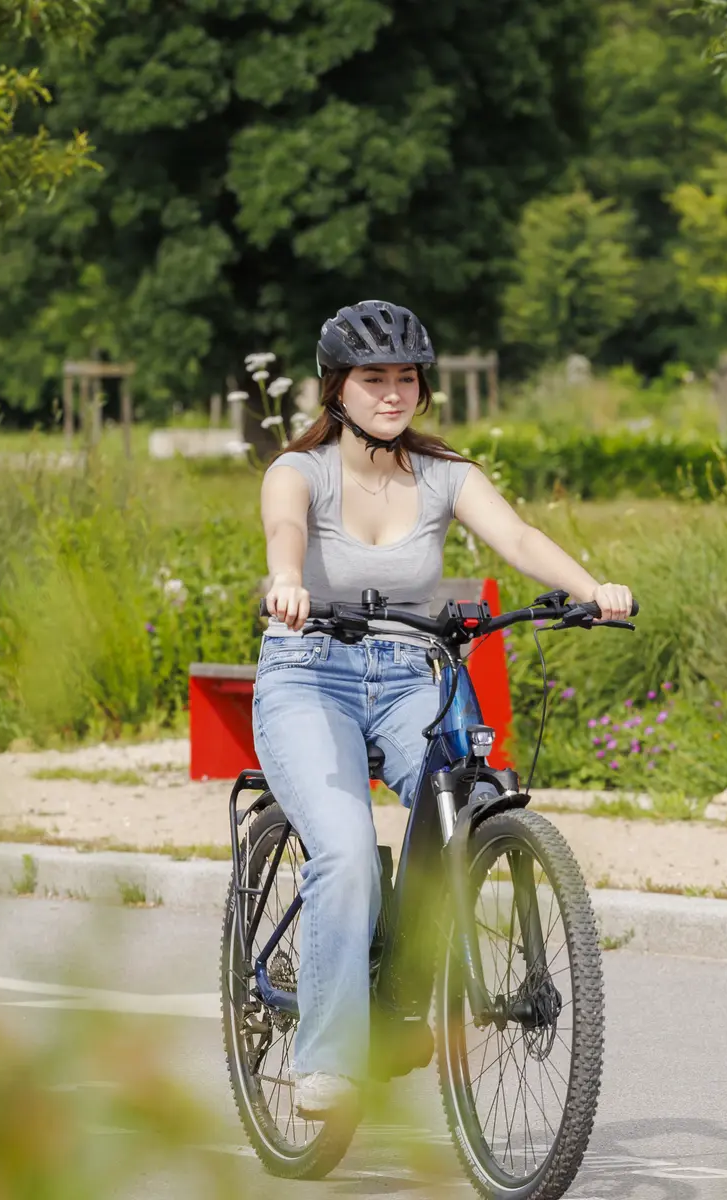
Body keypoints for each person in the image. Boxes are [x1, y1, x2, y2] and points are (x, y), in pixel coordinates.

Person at [255, 300, 633, 1118]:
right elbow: (286, 529)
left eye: (406, 377)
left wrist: (590, 588)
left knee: (472, 794)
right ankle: (327, 1061)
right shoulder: (300, 471)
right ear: (336, 387)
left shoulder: (444, 475)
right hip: (309, 675)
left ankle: (399, 994)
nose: (393, 393)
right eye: (373, 379)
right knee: (346, 851)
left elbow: (519, 538)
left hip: (408, 673)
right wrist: (287, 580)